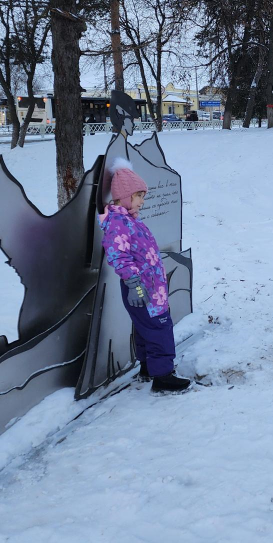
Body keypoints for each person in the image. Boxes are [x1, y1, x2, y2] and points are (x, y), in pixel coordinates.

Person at [99, 159, 192, 394]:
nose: (142, 201)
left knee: (145, 328)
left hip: (150, 287)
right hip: (143, 288)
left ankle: (149, 367)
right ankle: (163, 377)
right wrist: (134, 284)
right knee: (160, 328)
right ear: (125, 196)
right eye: (139, 196)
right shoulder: (119, 223)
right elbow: (117, 255)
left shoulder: (128, 221)